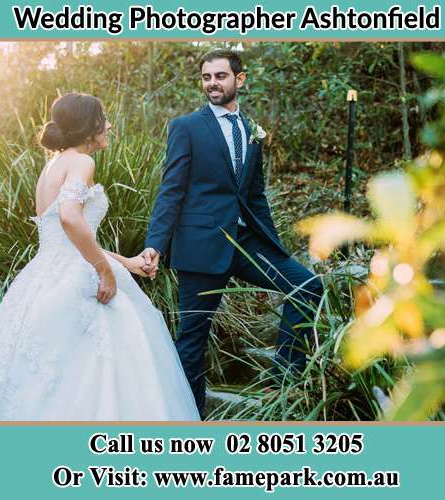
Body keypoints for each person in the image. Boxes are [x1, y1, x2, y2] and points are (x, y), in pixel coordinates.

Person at [0, 93, 199, 421]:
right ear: (88, 127)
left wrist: (125, 263)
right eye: (103, 119)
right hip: (76, 277)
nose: (109, 125)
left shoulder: (52, 166)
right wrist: (105, 271)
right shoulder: (82, 162)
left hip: (43, 274)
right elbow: (70, 218)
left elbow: (63, 239)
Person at [142, 50, 324, 417]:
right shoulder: (186, 127)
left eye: (220, 76)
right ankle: (188, 420)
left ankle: (283, 383)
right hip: (200, 247)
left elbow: (254, 196)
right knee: (193, 340)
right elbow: (171, 190)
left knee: (307, 287)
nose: (212, 83)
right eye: (207, 77)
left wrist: (276, 248)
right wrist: (155, 245)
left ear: (239, 80)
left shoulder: (251, 131)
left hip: (246, 243)